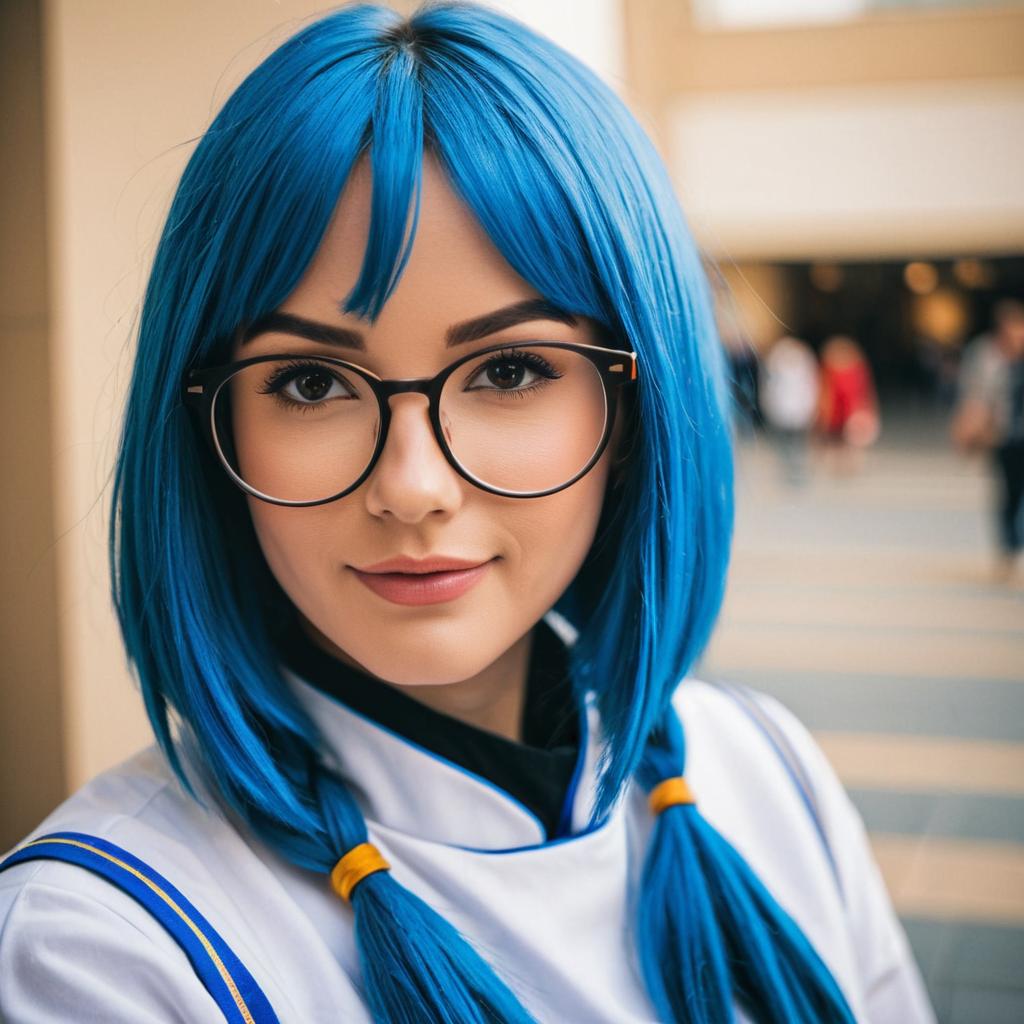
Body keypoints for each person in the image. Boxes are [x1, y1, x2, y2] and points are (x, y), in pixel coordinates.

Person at [0, 4, 935, 1022]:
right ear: (207, 429)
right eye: (311, 382)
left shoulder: (763, 771)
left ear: (635, 405)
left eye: (510, 367)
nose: (412, 486)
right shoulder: (94, 952)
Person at [951, 298, 1024, 576]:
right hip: (1001, 434)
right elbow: (973, 394)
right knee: (1009, 491)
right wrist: (967, 429)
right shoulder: (985, 354)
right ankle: (1009, 544)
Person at [758, 335, 820, 485]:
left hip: (798, 409)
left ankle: (797, 470)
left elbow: (810, 387)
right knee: (785, 443)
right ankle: (789, 470)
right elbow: (769, 388)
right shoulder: (776, 362)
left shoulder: (801, 363)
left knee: (798, 443)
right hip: (784, 409)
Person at [816, 335, 881, 475]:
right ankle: (842, 465)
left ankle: (845, 465)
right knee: (838, 440)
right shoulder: (834, 370)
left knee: (847, 440)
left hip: (848, 412)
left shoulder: (852, 369)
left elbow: (863, 392)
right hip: (839, 412)